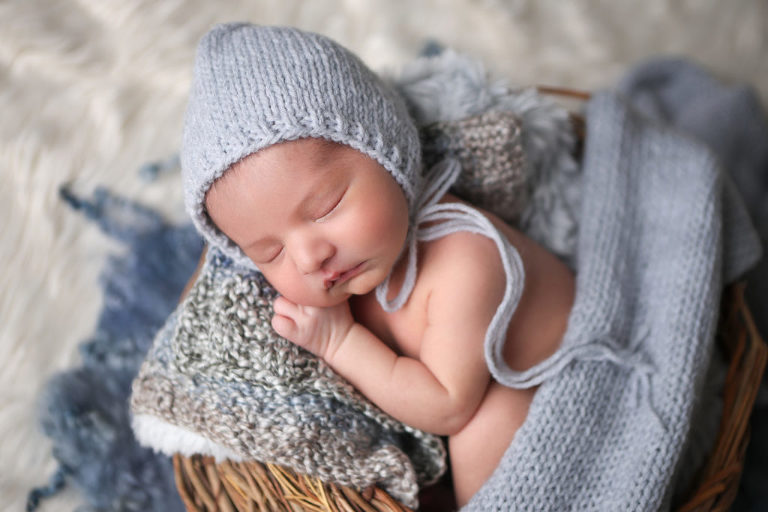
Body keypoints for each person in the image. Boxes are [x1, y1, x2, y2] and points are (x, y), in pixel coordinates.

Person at [182, 22, 574, 507]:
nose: (309, 256)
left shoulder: (465, 262)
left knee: (484, 432)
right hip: (454, 390)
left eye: (325, 207)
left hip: (546, 373)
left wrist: (341, 341)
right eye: (270, 252)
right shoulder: (351, 262)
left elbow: (449, 406)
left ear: (389, 157)